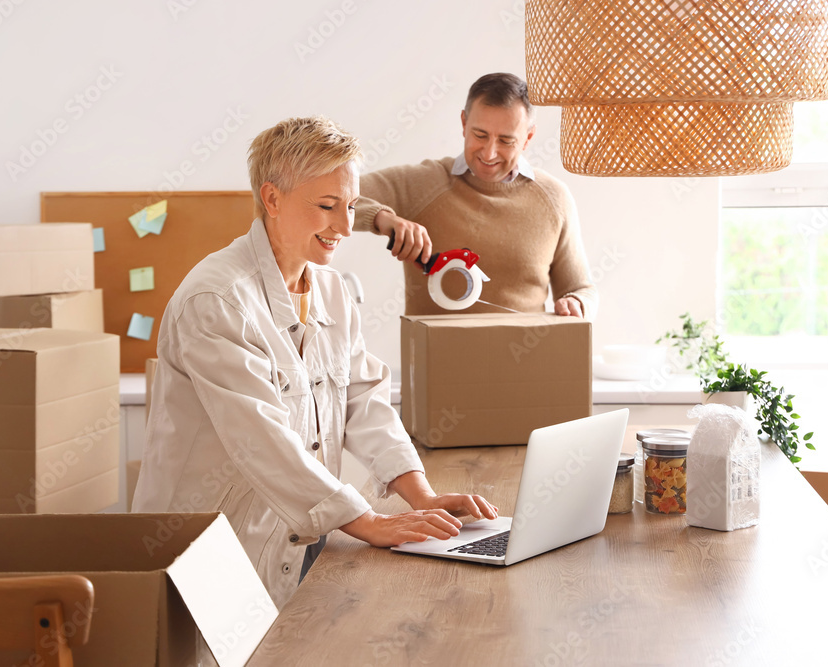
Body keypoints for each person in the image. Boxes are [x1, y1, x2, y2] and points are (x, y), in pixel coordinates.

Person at [132, 116, 497, 610]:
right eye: (327, 207)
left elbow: (363, 399)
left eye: (350, 207)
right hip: (214, 548)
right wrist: (365, 521)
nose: (346, 227)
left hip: (301, 537)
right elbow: (259, 438)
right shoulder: (217, 300)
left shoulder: (330, 290)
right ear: (272, 199)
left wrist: (422, 496)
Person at [355, 72, 598, 319]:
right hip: (437, 356)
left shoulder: (555, 198)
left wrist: (576, 302)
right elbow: (331, 196)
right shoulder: (423, 183)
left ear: (528, 138)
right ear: (463, 123)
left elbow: (581, 288)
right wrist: (382, 218)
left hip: (529, 355)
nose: (489, 153)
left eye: (506, 140)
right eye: (480, 135)